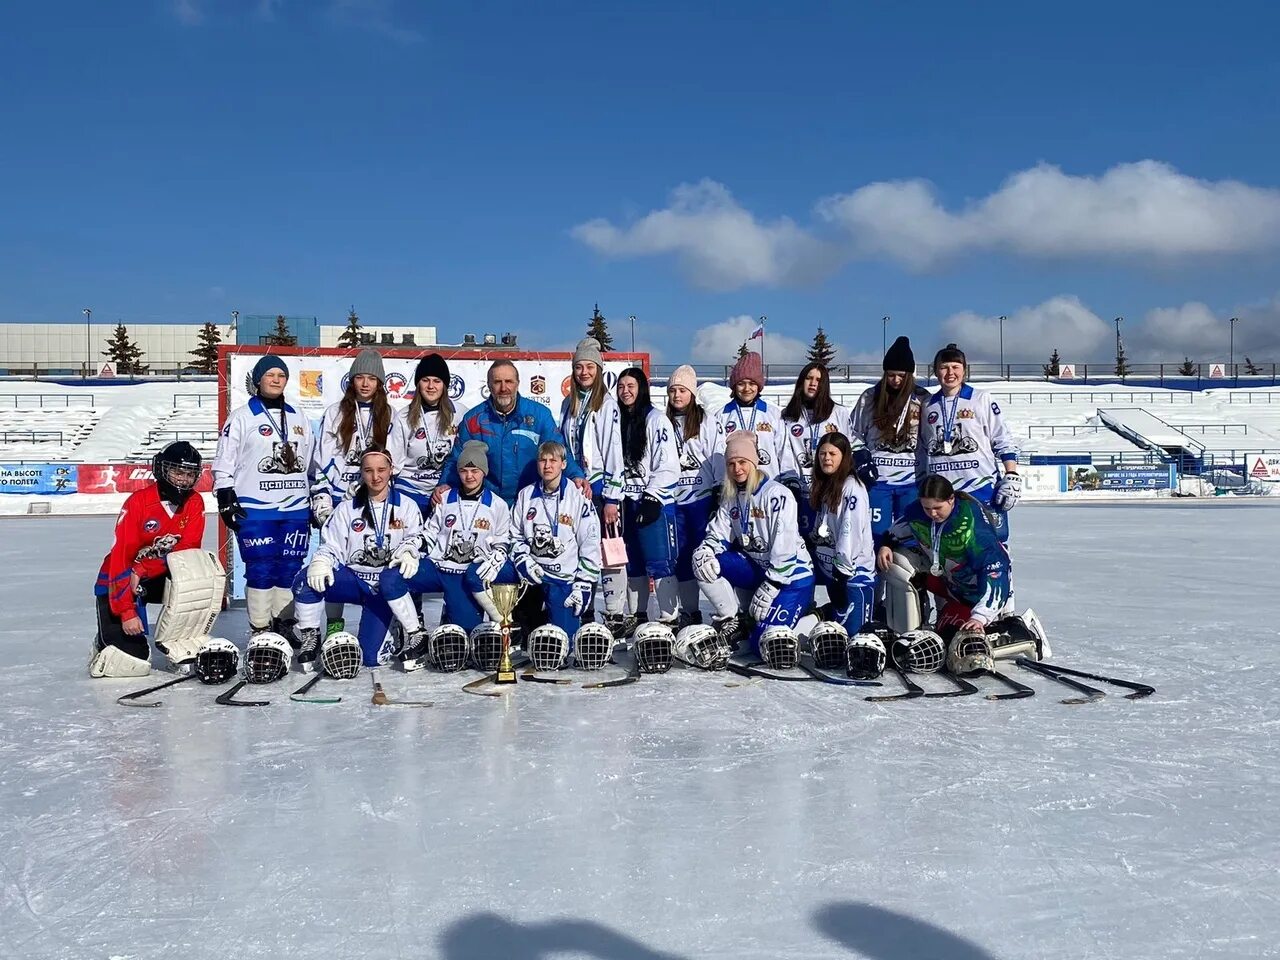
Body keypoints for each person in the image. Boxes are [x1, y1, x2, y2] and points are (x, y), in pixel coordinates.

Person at [380, 440, 514, 667]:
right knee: (391, 576)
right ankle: (416, 634)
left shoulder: (497, 505)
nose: (469, 476)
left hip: (465, 577)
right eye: (463, 470)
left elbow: (503, 542)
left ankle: (492, 625)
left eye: (475, 471)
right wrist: (411, 547)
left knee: (462, 641)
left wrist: (499, 554)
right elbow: (429, 533)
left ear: (484, 472)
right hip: (439, 568)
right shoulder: (445, 499)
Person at [292, 447, 423, 668]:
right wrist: (321, 561)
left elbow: (419, 539)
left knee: (371, 659)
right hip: (354, 580)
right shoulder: (346, 509)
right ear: (361, 473)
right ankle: (310, 637)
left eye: (381, 469)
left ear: (391, 470)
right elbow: (331, 546)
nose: (376, 476)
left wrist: (412, 552)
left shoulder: (407, 506)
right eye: (369, 470)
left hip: (385, 588)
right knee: (306, 579)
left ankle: (398, 624)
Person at [213, 354, 315, 638]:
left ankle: (283, 625)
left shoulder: (298, 417)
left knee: (290, 567)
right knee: (261, 567)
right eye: (270, 375)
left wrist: (316, 496)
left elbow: (310, 462)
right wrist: (224, 493)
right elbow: (225, 459)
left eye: (281, 375)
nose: (276, 380)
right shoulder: (242, 417)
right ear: (258, 380)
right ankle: (260, 628)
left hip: (295, 508)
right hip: (256, 508)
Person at [90, 441, 208, 677]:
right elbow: (120, 559)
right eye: (178, 472)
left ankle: (180, 642)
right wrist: (127, 613)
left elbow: (186, 551)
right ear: (162, 469)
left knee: (202, 575)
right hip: (120, 581)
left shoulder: (195, 502)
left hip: (152, 575)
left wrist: (143, 568)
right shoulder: (139, 502)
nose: (183, 480)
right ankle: (105, 642)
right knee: (131, 663)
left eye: (189, 474)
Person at [692, 432, 816, 657]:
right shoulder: (732, 496)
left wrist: (773, 583)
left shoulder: (778, 495)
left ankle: (817, 616)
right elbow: (718, 533)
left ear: (753, 462)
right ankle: (731, 620)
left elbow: (784, 546)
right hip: (759, 569)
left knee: (766, 644)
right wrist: (707, 548)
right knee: (703, 561)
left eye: (742, 462)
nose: (737, 469)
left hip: (791, 577)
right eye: (731, 464)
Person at [876, 473, 1012, 639]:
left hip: (975, 593)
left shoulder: (974, 531)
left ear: (951, 500)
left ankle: (1000, 622)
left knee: (959, 637)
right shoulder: (918, 513)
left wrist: (980, 617)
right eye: (927, 508)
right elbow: (899, 528)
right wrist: (886, 545)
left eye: (937, 508)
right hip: (946, 582)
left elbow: (996, 572)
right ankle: (907, 632)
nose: (932, 513)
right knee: (897, 562)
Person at [437, 359, 584, 506]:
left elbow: (559, 451)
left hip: (531, 501)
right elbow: (457, 458)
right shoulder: (473, 419)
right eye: (497, 382)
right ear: (489, 385)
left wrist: (576, 475)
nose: (503, 388)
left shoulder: (539, 415)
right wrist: (446, 483)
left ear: (517, 383)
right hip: (488, 503)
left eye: (509, 381)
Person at [600, 367, 680, 635]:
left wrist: (652, 496)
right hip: (626, 500)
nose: (625, 391)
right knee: (632, 560)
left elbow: (668, 464)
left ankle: (670, 618)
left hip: (652, 501)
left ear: (641, 388)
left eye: (630, 385)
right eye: (621, 386)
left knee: (658, 561)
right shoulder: (616, 420)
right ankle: (638, 615)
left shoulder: (656, 419)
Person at [919, 343, 1021, 541]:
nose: (950, 373)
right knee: (950, 553)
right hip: (943, 495)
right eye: (944, 367)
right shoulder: (927, 405)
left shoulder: (980, 399)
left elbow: (1002, 439)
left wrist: (1012, 474)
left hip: (980, 488)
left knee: (991, 546)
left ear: (964, 370)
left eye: (955, 367)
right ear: (935, 371)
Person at [509, 441, 601, 637]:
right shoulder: (526, 495)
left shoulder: (578, 497)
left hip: (563, 580)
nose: (547, 465)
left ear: (564, 464)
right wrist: (523, 561)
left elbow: (590, 544)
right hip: (531, 578)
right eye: (543, 460)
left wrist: (583, 583)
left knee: (563, 642)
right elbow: (514, 534)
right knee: (529, 640)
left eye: (553, 460)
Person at [778, 362, 875, 536]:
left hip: (831, 492)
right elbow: (785, 452)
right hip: (802, 492)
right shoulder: (788, 416)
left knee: (829, 541)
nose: (813, 383)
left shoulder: (838, 412)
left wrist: (862, 459)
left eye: (819, 380)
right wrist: (790, 482)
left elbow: (849, 444)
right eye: (809, 378)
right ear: (801, 381)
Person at [850, 336, 931, 542]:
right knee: (876, 534)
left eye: (902, 376)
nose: (896, 381)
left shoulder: (922, 398)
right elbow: (853, 432)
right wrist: (860, 456)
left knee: (911, 538)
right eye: (891, 375)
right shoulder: (870, 397)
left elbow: (932, 438)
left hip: (912, 481)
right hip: (879, 481)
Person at [310, 348, 392, 524]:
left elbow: (392, 458)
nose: (365, 384)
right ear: (352, 381)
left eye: (371, 378)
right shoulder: (335, 412)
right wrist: (323, 493)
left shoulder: (389, 414)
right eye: (359, 377)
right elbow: (323, 455)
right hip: (339, 494)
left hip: (373, 494)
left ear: (379, 383)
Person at [665, 364, 718, 626]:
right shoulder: (663, 421)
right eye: (673, 390)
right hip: (675, 500)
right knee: (681, 557)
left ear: (692, 393)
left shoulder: (706, 420)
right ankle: (690, 610)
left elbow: (716, 455)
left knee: (706, 554)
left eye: (682, 390)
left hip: (701, 498)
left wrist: (719, 489)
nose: (677, 395)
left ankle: (724, 610)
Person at [808, 433, 875, 635]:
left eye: (832, 454)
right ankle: (823, 613)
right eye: (822, 454)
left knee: (856, 637)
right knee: (837, 636)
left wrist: (841, 574)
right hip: (832, 571)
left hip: (852, 576)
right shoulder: (826, 485)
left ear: (844, 456)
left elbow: (850, 532)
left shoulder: (852, 488)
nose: (826, 458)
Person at [389, 352, 465, 517]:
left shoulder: (460, 413)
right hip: (410, 488)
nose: (431, 386)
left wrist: (450, 484)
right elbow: (393, 462)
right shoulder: (404, 416)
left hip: (446, 488)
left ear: (445, 385)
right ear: (418, 384)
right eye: (425, 380)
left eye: (437, 381)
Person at [560, 336, 624, 522]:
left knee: (600, 547)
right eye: (579, 367)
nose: (584, 372)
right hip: (574, 483)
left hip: (597, 486)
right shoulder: (568, 403)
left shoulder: (606, 403)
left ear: (599, 370)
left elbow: (613, 450)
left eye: (590, 367)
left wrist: (612, 498)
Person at [711, 350, 782, 481]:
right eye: (741, 383)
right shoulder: (722, 415)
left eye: (752, 383)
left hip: (768, 483)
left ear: (759, 386)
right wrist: (719, 482)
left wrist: (788, 478)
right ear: (734, 386)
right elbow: (718, 454)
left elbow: (783, 450)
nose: (746, 388)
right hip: (735, 485)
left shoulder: (772, 413)